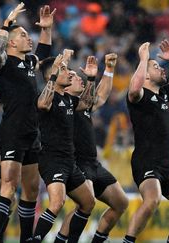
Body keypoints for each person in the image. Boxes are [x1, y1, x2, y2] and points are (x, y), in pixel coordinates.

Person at [0, 3, 55, 243]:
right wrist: (6, 24)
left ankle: (26, 238)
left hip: (31, 132)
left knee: (32, 189)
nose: (29, 38)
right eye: (24, 36)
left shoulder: (28, 62)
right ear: (12, 43)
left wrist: (46, 29)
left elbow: (45, 54)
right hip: (12, 130)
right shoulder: (3, 63)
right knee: (8, 186)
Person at [50, 53, 129, 243]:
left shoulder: (83, 105)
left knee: (121, 202)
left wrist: (109, 70)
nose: (79, 79)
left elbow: (100, 96)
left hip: (93, 164)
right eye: (75, 77)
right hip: (77, 165)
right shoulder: (63, 105)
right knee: (85, 204)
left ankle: (98, 240)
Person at [125, 40, 169, 243]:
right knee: (152, 200)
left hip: (166, 165)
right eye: (156, 66)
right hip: (146, 162)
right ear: (145, 74)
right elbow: (133, 89)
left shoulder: (163, 95)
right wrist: (144, 59)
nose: (161, 68)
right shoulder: (139, 96)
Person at [32, 54, 97, 243]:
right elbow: (42, 104)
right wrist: (52, 77)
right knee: (57, 203)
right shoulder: (47, 97)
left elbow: (87, 103)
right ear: (52, 74)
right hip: (52, 161)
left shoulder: (68, 100)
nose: (69, 72)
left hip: (70, 162)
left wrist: (91, 78)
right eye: (64, 69)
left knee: (88, 203)